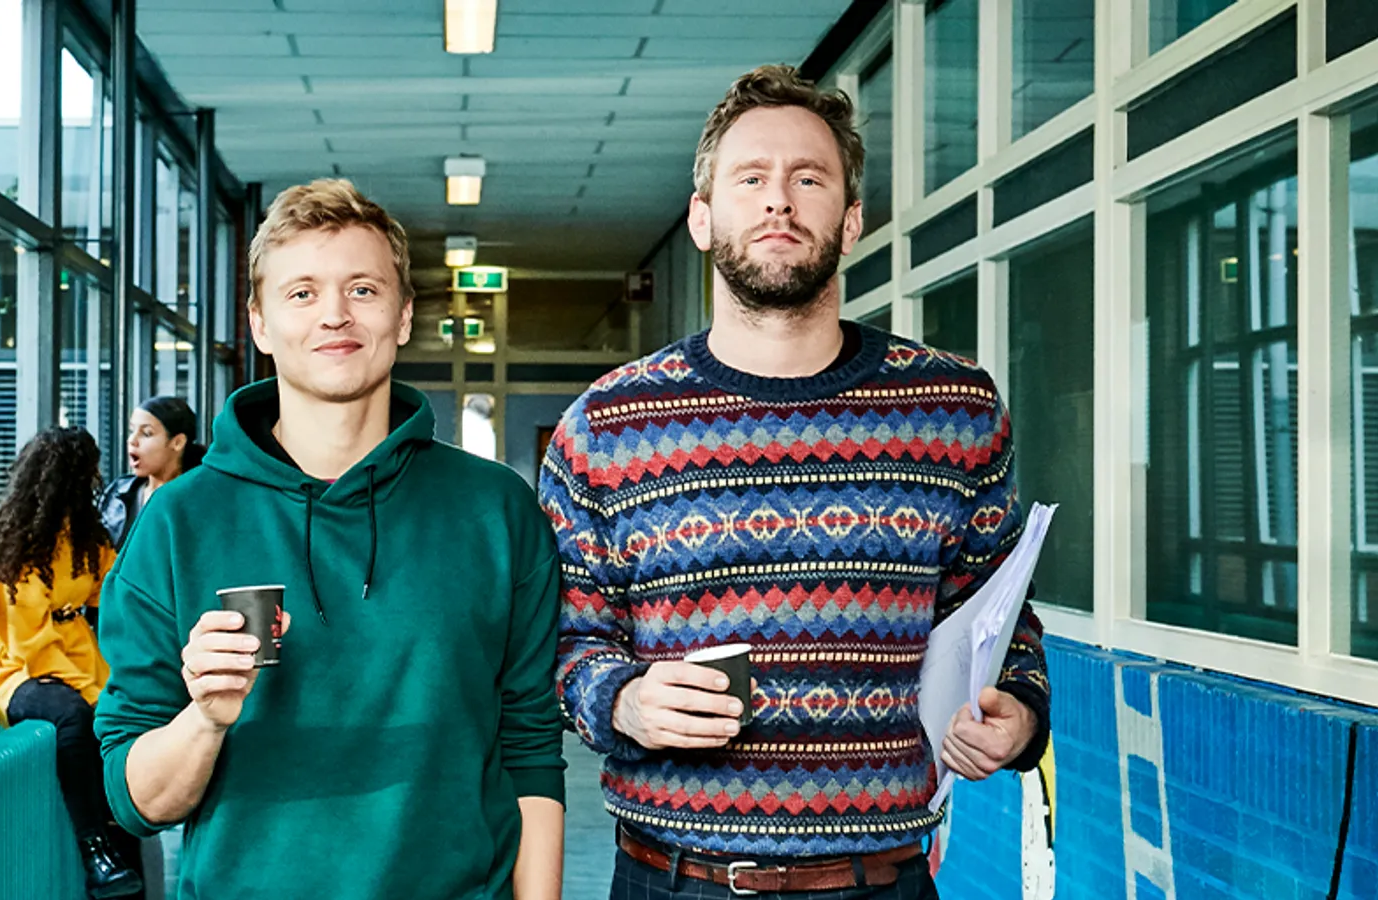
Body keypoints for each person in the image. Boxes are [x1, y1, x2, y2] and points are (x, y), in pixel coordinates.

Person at [538, 65, 1051, 899]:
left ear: (850, 222)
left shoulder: (953, 408)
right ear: (702, 220)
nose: (779, 202)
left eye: (808, 179)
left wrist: (1019, 715)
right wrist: (623, 701)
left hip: (878, 881)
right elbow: (562, 643)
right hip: (675, 880)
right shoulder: (605, 426)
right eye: (752, 179)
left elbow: (1001, 618)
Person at [93, 178, 566, 899]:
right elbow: (140, 802)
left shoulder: (496, 511)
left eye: (364, 290)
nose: (335, 316)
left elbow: (530, 747)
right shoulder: (179, 523)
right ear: (259, 323)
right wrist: (206, 717)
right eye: (303, 292)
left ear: (404, 316)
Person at [0, 427, 142, 900]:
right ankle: (94, 848)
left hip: (81, 663)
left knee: (115, 716)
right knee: (74, 717)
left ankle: (122, 855)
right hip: (22, 673)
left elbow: (110, 588)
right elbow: (33, 647)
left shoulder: (84, 538)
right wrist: (98, 693)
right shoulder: (17, 550)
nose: (95, 481)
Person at [99, 397, 205, 551]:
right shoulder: (118, 493)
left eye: (146, 433)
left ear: (178, 442)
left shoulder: (200, 499)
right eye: (131, 430)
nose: (132, 440)